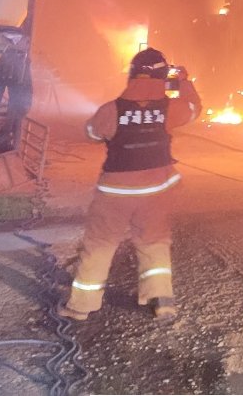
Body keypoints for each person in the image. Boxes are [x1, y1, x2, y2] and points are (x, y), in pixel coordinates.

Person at [60, 48, 201, 321]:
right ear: (163, 76)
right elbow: (194, 109)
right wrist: (184, 82)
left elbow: (91, 133)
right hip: (157, 191)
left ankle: (81, 306)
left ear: (132, 75)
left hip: (116, 193)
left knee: (100, 245)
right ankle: (162, 301)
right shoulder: (170, 108)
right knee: (154, 242)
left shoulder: (111, 109)